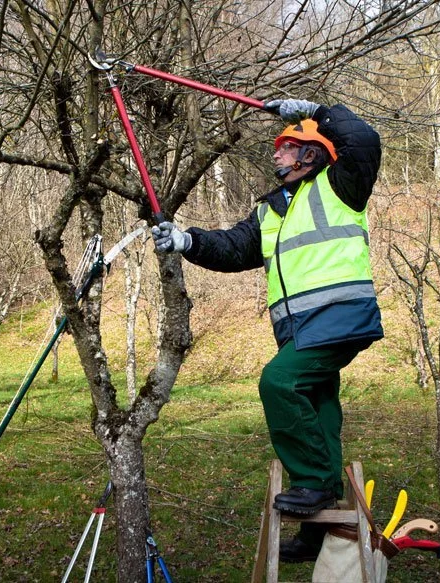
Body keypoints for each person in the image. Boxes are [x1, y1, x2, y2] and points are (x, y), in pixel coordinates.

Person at [152, 98, 383, 562]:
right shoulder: (271, 210)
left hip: (338, 317)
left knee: (280, 382)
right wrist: (186, 240)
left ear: (311, 154)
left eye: (286, 146)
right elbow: (234, 248)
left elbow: (363, 139)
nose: (275, 153)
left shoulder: (342, 185)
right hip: (301, 328)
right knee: (319, 413)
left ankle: (314, 485)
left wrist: (319, 110)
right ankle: (317, 533)